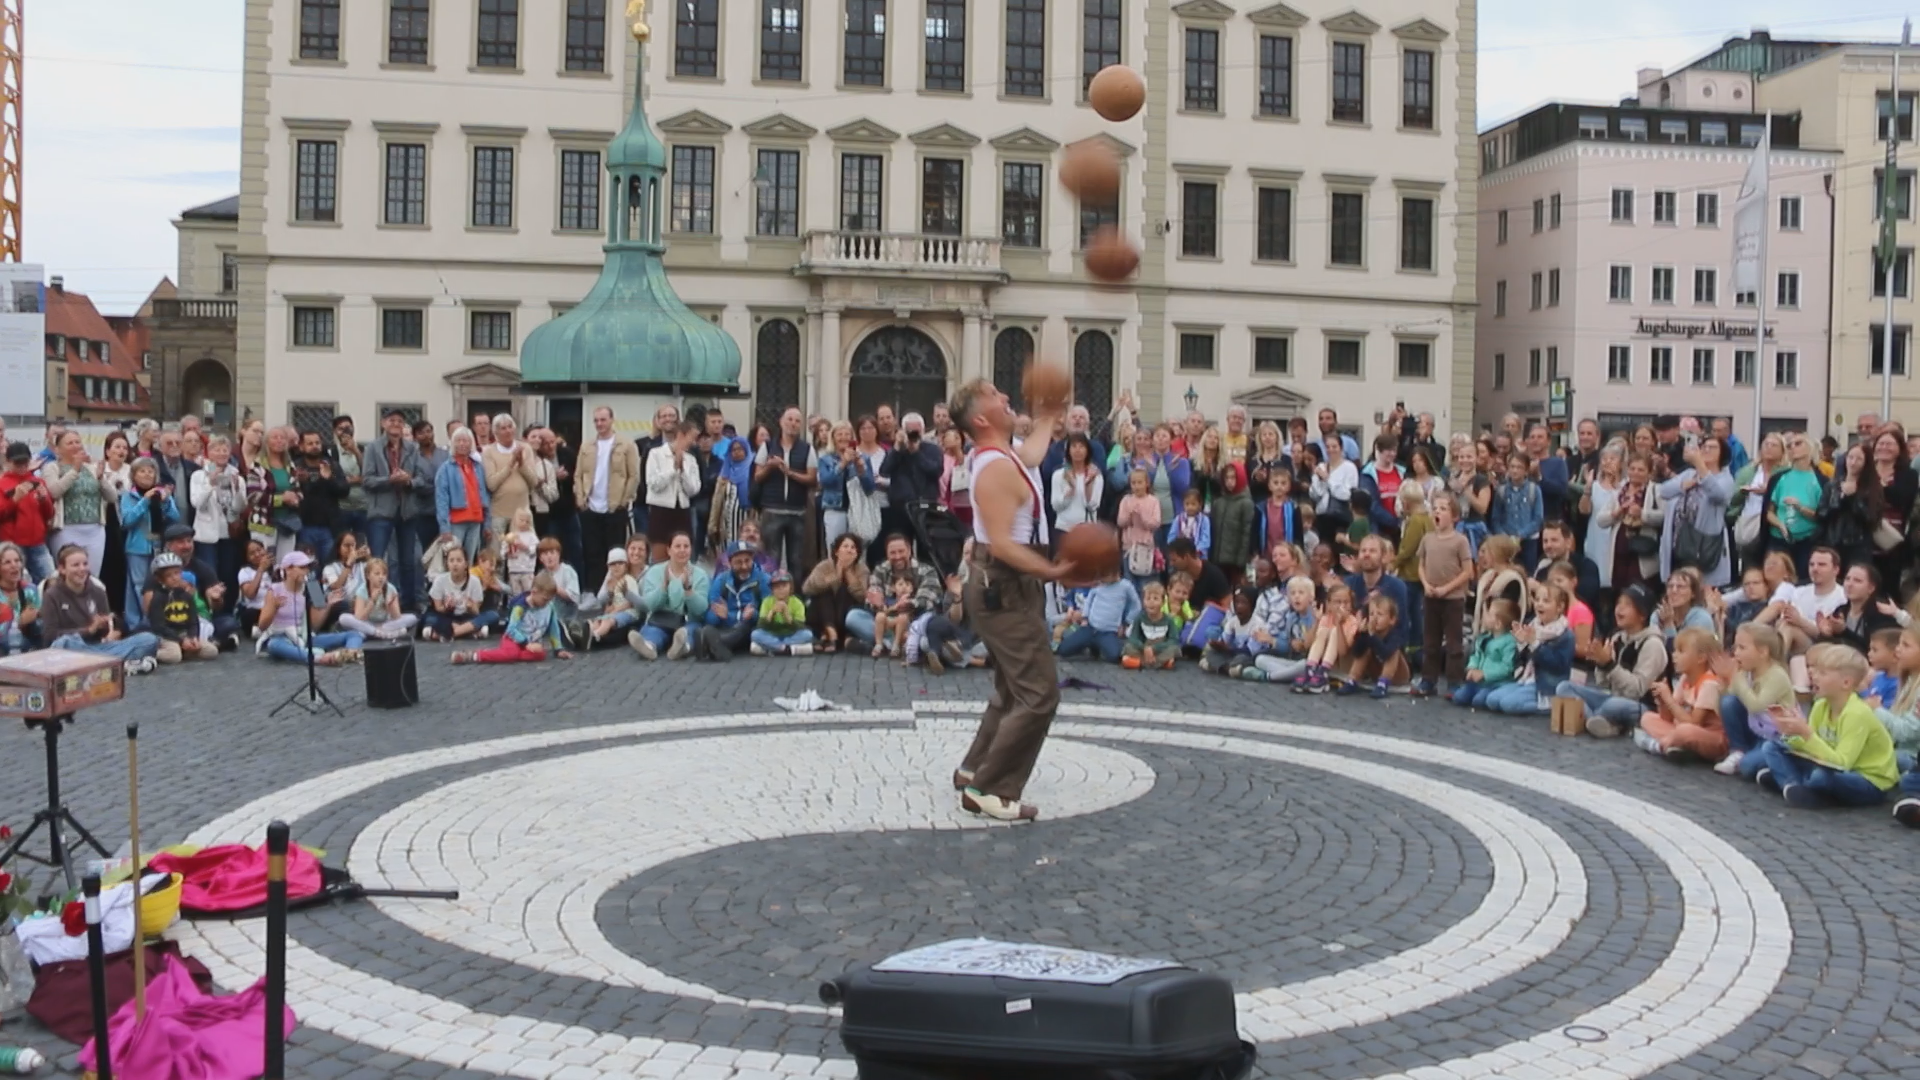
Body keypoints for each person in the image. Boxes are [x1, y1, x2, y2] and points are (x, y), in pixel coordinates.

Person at [950, 375, 1079, 823]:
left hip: (1006, 583)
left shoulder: (1004, 455)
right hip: (1004, 584)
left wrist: (1049, 414)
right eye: (995, 396)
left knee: (1011, 688)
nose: (1006, 396)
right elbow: (1004, 544)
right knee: (1039, 694)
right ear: (981, 419)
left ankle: (974, 769)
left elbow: (1033, 453)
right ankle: (991, 789)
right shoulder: (995, 468)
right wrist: (1054, 572)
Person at [1750, 643, 1899, 809]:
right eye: (1814, 670)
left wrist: (1807, 734)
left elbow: (1842, 763)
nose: (1813, 676)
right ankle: (1794, 785)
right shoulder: (1821, 705)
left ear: (1846, 682)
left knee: (1820, 777)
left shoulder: (1857, 713)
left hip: (1868, 779)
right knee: (1772, 747)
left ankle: (1794, 783)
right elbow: (1812, 751)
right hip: (1830, 765)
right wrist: (1790, 732)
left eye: (1822, 673)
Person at [37, 545, 160, 673]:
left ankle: (102, 664)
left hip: (97, 648)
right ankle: (116, 663)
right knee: (64, 643)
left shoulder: (98, 591)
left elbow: (104, 633)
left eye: (85, 564)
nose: (82, 569)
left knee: (148, 639)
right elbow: (49, 636)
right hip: (73, 647)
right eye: (75, 565)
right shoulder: (52, 595)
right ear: (62, 569)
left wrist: (107, 627)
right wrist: (88, 630)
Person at [362, 409, 425, 609]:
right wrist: (390, 480)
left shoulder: (413, 448)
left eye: (399, 421)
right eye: (392, 420)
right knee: (378, 560)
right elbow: (367, 480)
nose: (396, 424)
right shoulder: (373, 448)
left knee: (408, 561)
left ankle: (406, 605)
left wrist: (408, 481)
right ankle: (373, 603)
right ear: (383, 423)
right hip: (381, 512)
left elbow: (422, 479)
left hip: (407, 511)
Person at [254, 551, 363, 666]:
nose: (306, 571)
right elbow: (262, 626)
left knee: (354, 634)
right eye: (302, 567)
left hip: (304, 635)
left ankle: (350, 654)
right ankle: (318, 658)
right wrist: (274, 608)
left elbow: (314, 626)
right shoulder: (275, 589)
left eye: (307, 567)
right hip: (281, 636)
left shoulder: (313, 586)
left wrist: (328, 605)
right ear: (288, 569)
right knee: (274, 645)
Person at [574, 407, 640, 594]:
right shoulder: (586, 446)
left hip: (614, 508)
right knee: (592, 553)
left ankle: (616, 592)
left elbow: (634, 475)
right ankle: (595, 592)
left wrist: (623, 501)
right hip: (591, 507)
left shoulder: (626, 445)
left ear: (612, 420)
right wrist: (580, 498)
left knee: (615, 553)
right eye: (596, 420)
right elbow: (578, 474)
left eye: (603, 420)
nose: (599, 424)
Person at [1414, 492, 1473, 697]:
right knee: (1430, 641)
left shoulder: (1460, 541)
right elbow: (1421, 565)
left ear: (1454, 516)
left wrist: (1446, 589)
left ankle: (1454, 681)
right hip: (1431, 596)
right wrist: (1426, 584)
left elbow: (1467, 571)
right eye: (1435, 508)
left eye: (1443, 509)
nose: (1437, 512)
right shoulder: (1428, 539)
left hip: (1453, 599)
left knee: (1454, 642)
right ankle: (1428, 679)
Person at [1636, 626, 1725, 763]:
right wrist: (1662, 701)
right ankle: (1678, 746)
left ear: (1701, 658)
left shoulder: (1709, 684)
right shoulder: (1685, 679)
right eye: (1675, 650)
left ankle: (1660, 745)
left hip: (1711, 737)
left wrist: (1669, 699)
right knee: (1647, 718)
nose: (1674, 655)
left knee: (1685, 731)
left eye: (1681, 651)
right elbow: (1668, 718)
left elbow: (1694, 723)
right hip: (1685, 728)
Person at [754, 407, 818, 573]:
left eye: (797, 421)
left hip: (797, 511)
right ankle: (770, 588)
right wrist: (770, 466)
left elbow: (812, 479)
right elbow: (757, 476)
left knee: (797, 560)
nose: (793, 424)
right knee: (771, 559)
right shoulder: (767, 447)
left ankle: (795, 589)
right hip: (772, 509)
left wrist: (790, 473)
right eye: (789, 419)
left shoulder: (807, 449)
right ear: (781, 422)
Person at [631, 531, 710, 660]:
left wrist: (688, 590)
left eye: (686, 546)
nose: (682, 550)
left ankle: (683, 648)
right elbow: (649, 605)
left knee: (689, 632)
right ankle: (649, 647)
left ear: (691, 549)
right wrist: (664, 587)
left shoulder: (700, 574)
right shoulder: (655, 571)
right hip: (662, 620)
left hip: (688, 621)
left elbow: (701, 609)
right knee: (653, 631)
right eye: (677, 546)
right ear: (669, 550)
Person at [144, 552, 218, 664]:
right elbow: (159, 626)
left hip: (184, 633)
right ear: (160, 579)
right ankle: (147, 654)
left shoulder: (186, 596)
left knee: (211, 651)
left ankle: (185, 650)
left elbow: (193, 620)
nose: (174, 578)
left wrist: (193, 637)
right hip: (166, 636)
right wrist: (181, 640)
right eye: (169, 576)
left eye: (177, 573)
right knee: (174, 657)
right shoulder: (158, 598)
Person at [0, 441, 55, 585]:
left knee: (51, 582)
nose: (22, 466)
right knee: (17, 585)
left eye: (25, 462)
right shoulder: (2, 484)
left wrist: (44, 500)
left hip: (37, 542)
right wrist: (14, 500)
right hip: (12, 545)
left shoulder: (37, 481)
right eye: (17, 462)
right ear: (8, 462)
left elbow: (49, 514)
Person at [1057, 571, 1140, 663]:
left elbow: (1136, 605)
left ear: (1115, 573)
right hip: (1090, 627)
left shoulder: (1126, 586)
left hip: (1108, 631)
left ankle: (1101, 645)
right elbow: (1089, 600)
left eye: (1105, 575)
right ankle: (1089, 644)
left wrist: (1126, 622)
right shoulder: (1098, 583)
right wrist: (1085, 617)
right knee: (1063, 650)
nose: (1102, 578)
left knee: (1114, 656)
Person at [1248, 575, 1317, 684]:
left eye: (1301, 593)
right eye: (1293, 593)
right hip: (1293, 661)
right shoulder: (1291, 618)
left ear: (1311, 597)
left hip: (1310, 661)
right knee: (1260, 659)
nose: (1296, 597)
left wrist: (1303, 645)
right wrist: (1271, 640)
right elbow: (1286, 646)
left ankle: (1270, 676)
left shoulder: (1315, 617)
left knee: (1304, 665)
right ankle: (1291, 675)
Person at [435, 428, 490, 561]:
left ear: (471, 443)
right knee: (454, 560)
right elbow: (441, 500)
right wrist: (445, 528)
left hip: (476, 519)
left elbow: (485, 494)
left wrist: (487, 523)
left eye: (466, 441)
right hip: (456, 521)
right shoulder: (445, 468)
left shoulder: (478, 467)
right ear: (453, 443)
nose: (462, 444)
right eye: (458, 440)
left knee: (469, 560)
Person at [422, 547, 498, 642]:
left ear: (466, 564)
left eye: (459, 560)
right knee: (430, 618)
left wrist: (470, 607)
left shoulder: (474, 581)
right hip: (447, 617)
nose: (455, 564)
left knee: (493, 615)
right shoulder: (440, 580)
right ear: (447, 564)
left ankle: (449, 633)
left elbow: (476, 611)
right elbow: (438, 608)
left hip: (467, 617)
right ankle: (469, 632)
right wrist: (446, 607)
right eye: (451, 561)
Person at [1452, 600, 1519, 708]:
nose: (1485, 616)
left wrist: (1484, 674)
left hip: (1496, 683)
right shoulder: (1485, 637)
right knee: (1459, 697)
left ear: (1498, 624)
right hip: (1478, 682)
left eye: (1489, 614)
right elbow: (1476, 655)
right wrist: (1472, 667)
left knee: (1478, 701)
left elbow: (1507, 667)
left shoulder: (1509, 642)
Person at [340, 557, 418, 640]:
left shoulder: (391, 589)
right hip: (367, 623)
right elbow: (359, 617)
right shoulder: (361, 590)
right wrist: (372, 601)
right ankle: (379, 633)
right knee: (343, 618)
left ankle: (372, 633)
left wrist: (390, 605)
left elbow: (397, 617)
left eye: (384, 574)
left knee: (412, 618)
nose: (381, 577)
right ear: (368, 576)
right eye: (377, 574)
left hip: (386, 623)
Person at [752, 570, 814, 656]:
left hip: (790, 634)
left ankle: (773, 648)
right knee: (755, 634)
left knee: (807, 634)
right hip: (772, 634)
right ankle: (786, 649)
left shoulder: (797, 603)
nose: (781, 590)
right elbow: (761, 625)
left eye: (784, 586)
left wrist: (787, 615)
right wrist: (772, 612)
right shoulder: (767, 601)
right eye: (777, 587)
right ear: (772, 589)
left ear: (790, 587)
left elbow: (800, 626)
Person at [1122, 580, 1179, 671]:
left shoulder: (1169, 620)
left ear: (1163, 602)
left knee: (1174, 649)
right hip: (1144, 648)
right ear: (1143, 601)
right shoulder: (1140, 618)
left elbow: (1173, 640)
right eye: (1148, 599)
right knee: (1128, 646)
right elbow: (1133, 638)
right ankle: (1160, 663)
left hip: (1160, 648)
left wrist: (1154, 648)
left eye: (1155, 599)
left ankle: (1141, 663)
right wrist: (1144, 648)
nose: (1151, 602)